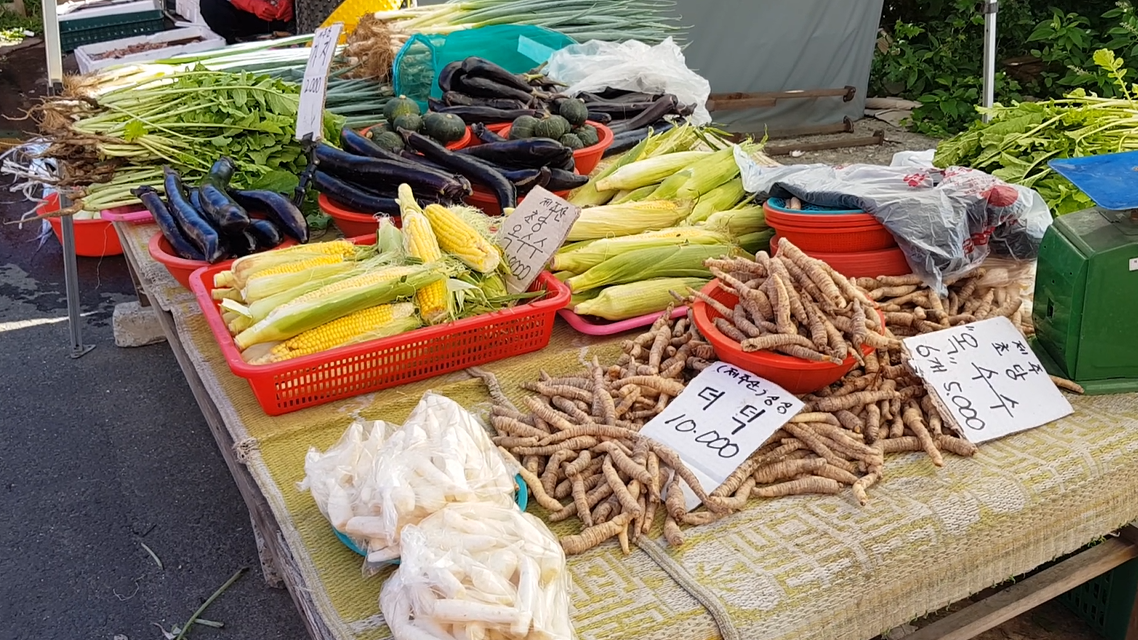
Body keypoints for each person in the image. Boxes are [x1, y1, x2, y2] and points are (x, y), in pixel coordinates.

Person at [200, 0, 294, 45]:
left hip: (282, 15)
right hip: (247, 17)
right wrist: (252, 4)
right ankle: (236, 43)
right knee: (209, 3)